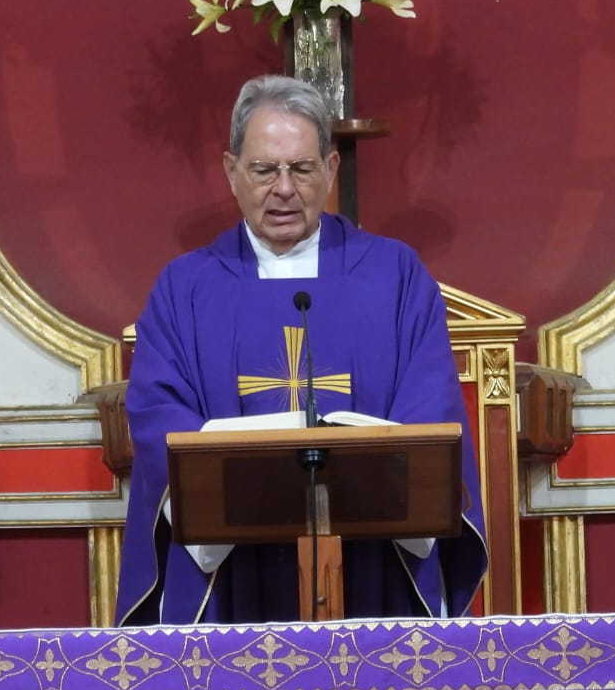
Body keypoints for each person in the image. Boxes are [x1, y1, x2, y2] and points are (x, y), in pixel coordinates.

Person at [115, 74, 488, 626]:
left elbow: (430, 400)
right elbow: (156, 409)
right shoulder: (186, 288)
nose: (283, 188)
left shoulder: (394, 275)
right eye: (264, 170)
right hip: (230, 572)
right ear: (231, 171)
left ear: (331, 170)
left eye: (302, 169)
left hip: (371, 557)